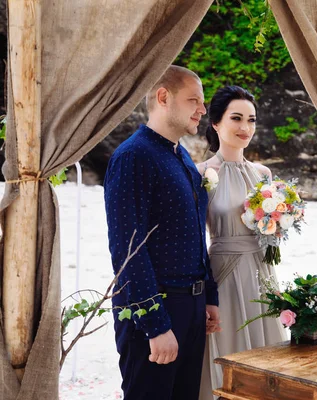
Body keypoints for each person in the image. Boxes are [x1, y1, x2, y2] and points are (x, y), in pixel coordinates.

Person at [105, 65, 220, 400]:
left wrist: (208, 296)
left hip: (191, 309)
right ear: (163, 97)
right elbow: (128, 250)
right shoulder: (133, 156)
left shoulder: (180, 155)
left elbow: (196, 233)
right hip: (156, 309)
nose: (202, 109)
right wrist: (156, 325)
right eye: (194, 100)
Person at [197, 86, 287, 399]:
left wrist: (281, 224)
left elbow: (271, 233)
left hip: (262, 273)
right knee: (230, 354)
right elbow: (196, 238)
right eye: (236, 118)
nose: (245, 127)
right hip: (224, 275)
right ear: (216, 123)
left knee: (267, 354)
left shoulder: (263, 173)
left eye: (251, 119)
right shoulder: (201, 173)